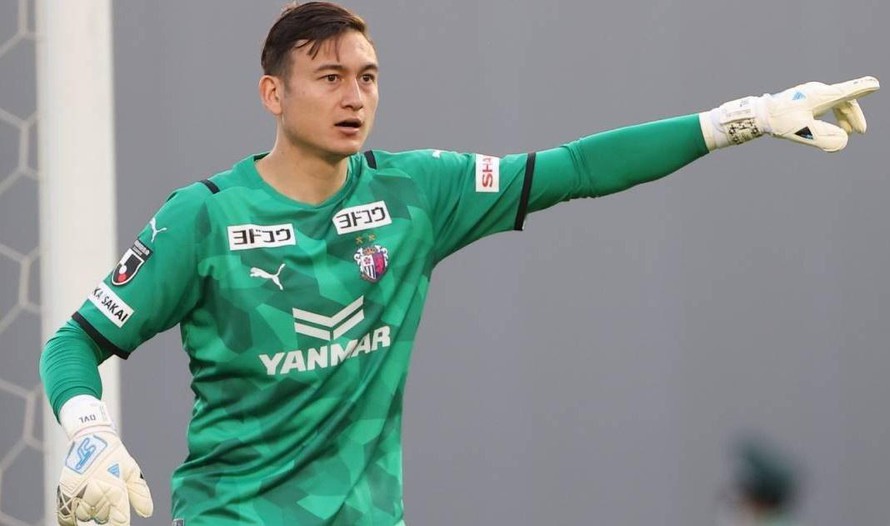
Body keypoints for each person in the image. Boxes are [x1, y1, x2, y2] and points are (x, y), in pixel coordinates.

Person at [39, 2, 878, 525]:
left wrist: (744, 118)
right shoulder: (205, 217)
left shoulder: (417, 193)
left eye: (368, 77)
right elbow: (74, 342)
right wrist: (90, 433)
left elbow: (575, 168)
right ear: (274, 94)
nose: (354, 96)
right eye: (328, 77)